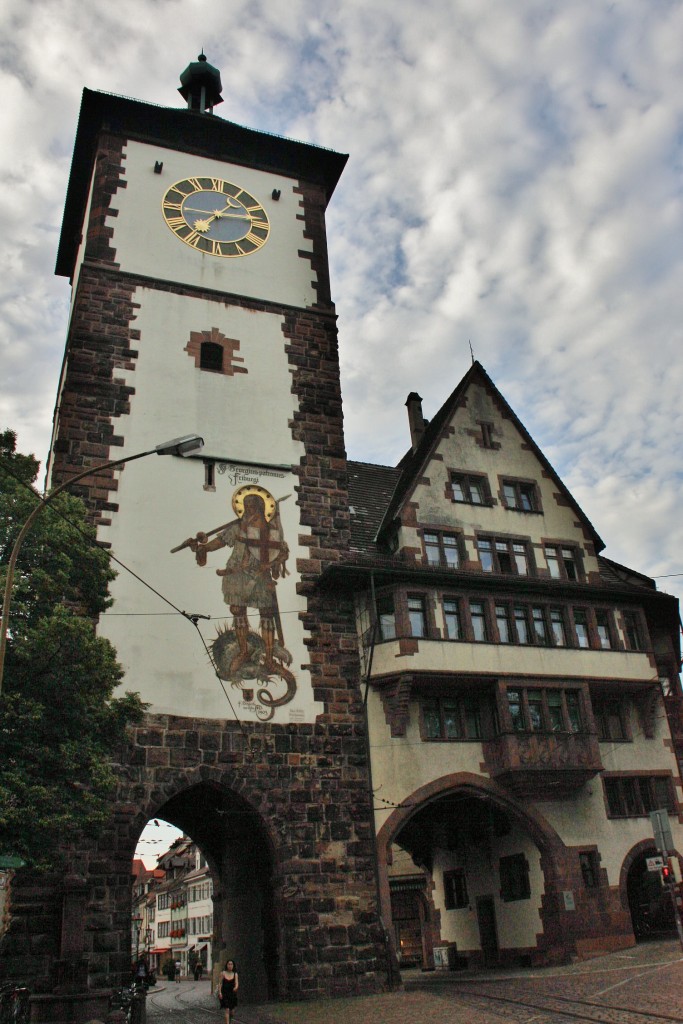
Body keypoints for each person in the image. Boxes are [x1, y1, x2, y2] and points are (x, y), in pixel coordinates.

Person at [218, 959, 239, 1024]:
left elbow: (237, 983)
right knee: (227, 1009)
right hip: (225, 994)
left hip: (232, 994)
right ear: (226, 965)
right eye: (229, 964)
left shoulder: (235, 974)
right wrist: (220, 992)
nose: (230, 966)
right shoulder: (223, 973)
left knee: (232, 1012)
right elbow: (220, 983)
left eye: (231, 964)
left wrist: (236, 987)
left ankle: (229, 1020)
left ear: (233, 965)